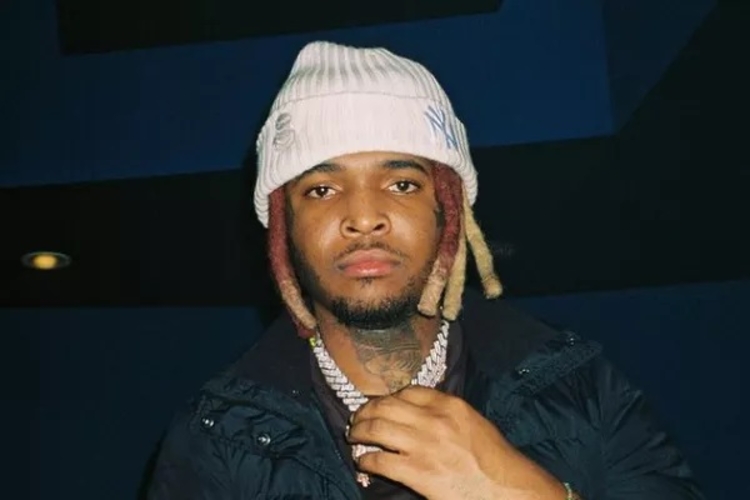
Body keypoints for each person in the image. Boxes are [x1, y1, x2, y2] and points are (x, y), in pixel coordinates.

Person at [147, 41, 704, 499]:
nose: (364, 217)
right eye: (321, 189)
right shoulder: (216, 437)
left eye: (401, 183)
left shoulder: (581, 386)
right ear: (282, 230)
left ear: (449, 213)